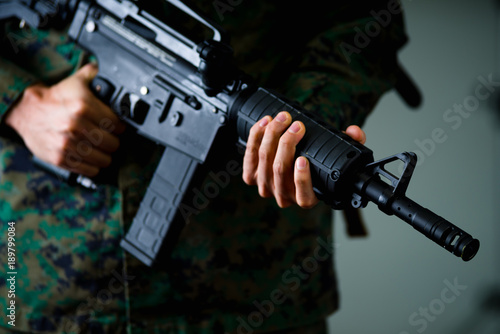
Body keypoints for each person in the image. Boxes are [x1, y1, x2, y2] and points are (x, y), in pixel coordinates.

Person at [0, 0, 408, 333]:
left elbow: (368, 19)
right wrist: (19, 102)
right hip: (43, 281)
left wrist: (303, 124)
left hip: (254, 287)